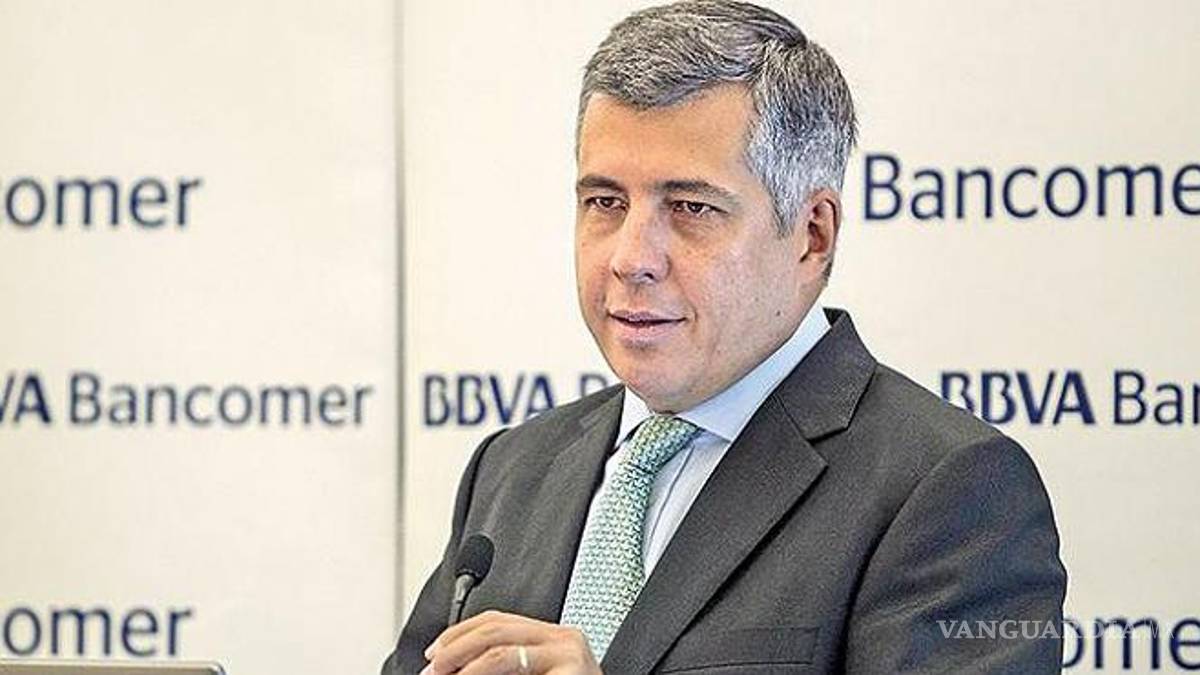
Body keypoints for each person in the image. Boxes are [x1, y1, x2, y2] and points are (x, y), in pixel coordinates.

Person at [383, 1, 1067, 672]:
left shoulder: (953, 489)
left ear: (812, 235)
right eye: (605, 202)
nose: (631, 257)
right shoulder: (513, 467)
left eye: (691, 207)